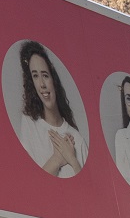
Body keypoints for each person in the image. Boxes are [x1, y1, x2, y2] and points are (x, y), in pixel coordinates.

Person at [15, 41, 87, 177]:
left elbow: (89, 186)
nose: (42, 84)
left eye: (45, 75)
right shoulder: (29, 124)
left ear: (53, 79)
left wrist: (72, 160)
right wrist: (57, 159)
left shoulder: (78, 139)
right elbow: (29, 183)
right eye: (35, 76)